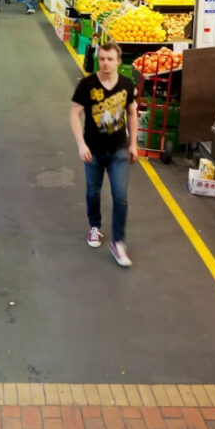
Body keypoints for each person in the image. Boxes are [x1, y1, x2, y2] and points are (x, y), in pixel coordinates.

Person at [70, 41, 139, 267]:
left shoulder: (127, 85)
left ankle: (118, 242)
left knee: (120, 195)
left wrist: (133, 144)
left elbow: (132, 113)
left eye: (110, 59)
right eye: (102, 59)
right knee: (93, 191)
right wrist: (81, 144)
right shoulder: (87, 85)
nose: (105, 63)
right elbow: (74, 115)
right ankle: (95, 227)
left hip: (119, 149)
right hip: (93, 150)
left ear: (119, 61)